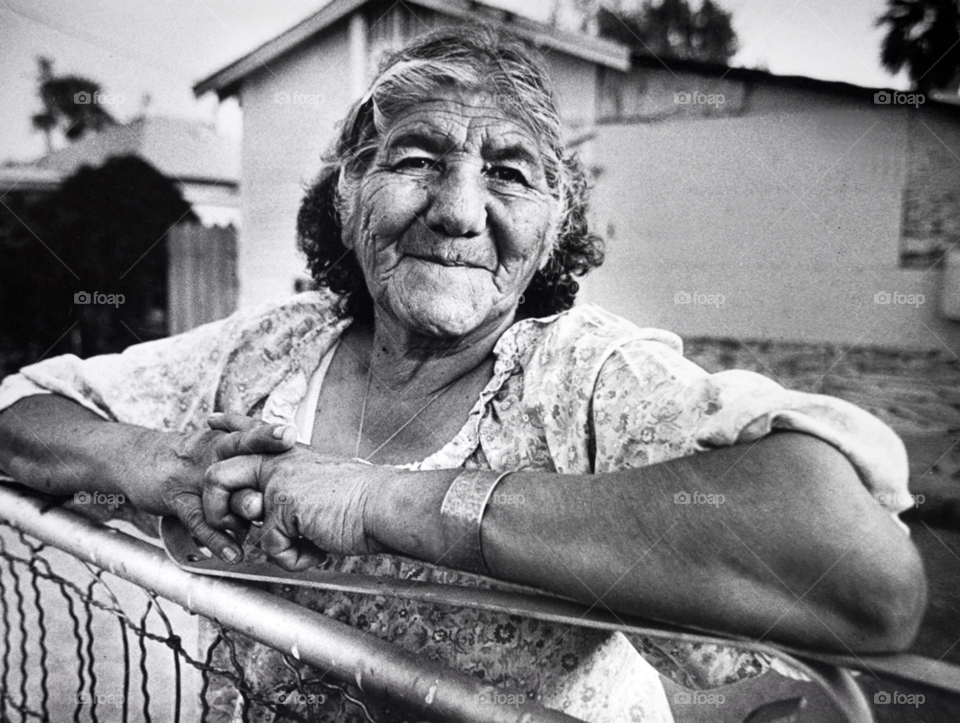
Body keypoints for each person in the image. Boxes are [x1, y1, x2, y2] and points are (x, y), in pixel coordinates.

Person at [0, 26, 927, 723]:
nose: (457, 211)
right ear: (348, 193)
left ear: (555, 225)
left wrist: (378, 501)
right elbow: (21, 415)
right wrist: (157, 463)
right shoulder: (275, 348)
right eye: (416, 158)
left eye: (510, 173)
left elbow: (860, 575)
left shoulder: (581, 376)